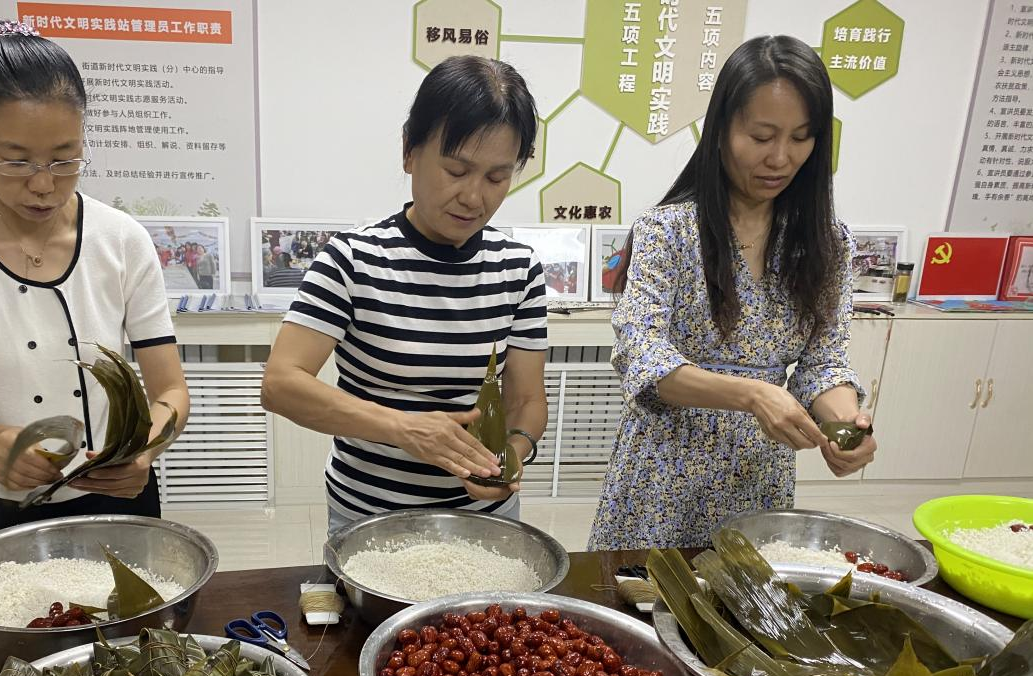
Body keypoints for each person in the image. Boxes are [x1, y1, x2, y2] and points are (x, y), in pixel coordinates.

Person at [0, 20, 189, 548]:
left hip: (116, 497)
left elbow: (170, 390)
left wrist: (144, 449)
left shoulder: (121, 238)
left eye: (65, 158)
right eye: (16, 160)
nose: (44, 184)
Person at [588, 35, 875, 551]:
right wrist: (753, 394)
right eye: (761, 136)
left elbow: (824, 362)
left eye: (801, 138)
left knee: (744, 597)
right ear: (720, 130)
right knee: (642, 595)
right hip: (662, 470)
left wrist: (846, 425)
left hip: (759, 474)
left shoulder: (827, 243)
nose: (780, 158)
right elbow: (640, 352)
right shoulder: (668, 231)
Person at [261, 55, 548, 534]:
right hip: (369, 518)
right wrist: (402, 428)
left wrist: (510, 457)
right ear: (409, 151)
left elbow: (527, 400)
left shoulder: (518, 268)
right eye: (456, 170)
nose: (474, 197)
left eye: (497, 178)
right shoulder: (352, 258)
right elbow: (281, 385)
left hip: (484, 519)